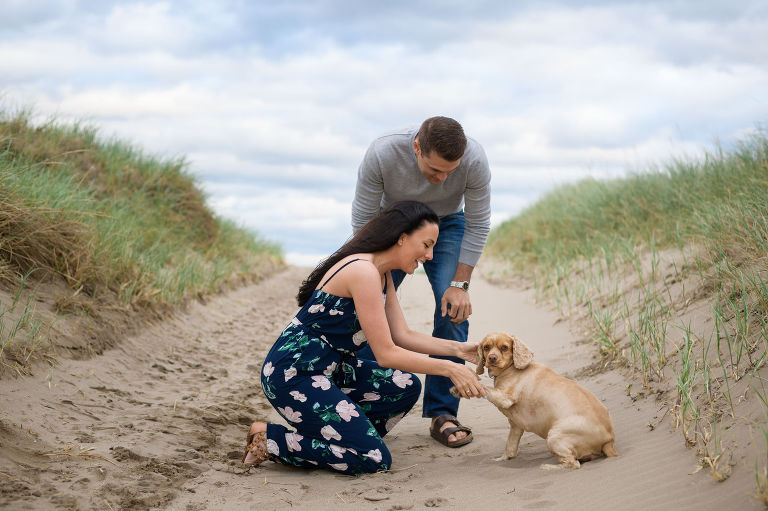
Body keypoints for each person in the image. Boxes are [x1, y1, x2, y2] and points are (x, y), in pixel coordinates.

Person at [242, 201, 486, 475]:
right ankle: (271, 439)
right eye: (426, 244)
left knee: (405, 386)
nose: (430, 255)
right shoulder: (363, 271)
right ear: (402, 237)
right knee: (375, 460)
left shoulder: (381, 275)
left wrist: (458, 350)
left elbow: (402, 335)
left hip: (331, 370)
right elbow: (386, 354)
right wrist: (450, 369)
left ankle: (346, 439)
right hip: (293, 374)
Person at [351, 116, 491, 448]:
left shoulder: (475, 159)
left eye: (450, 172)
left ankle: (443, 413)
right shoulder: (383, 153)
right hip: (395, 225)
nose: (442, 180)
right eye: (434, 171)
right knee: (368, 311)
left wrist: (461, 285)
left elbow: (479, 223)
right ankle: (365, 407)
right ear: (417, 148)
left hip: (450, 225)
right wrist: (374, 274)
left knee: (453, 309)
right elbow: (362, 221)